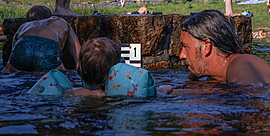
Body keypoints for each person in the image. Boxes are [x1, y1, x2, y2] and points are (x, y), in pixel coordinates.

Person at [29, 37, 167, 97]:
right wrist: (164, 88)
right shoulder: (122, 93)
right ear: (116, 71)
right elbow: (160, 93)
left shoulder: (73, 93)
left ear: (79, 69)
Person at [179, 9, 270, 84]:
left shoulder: (239, 66)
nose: (181, 55)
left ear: (206, 46)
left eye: (186, 47)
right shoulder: (221, 75)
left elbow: (251, 108)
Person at [5, 5, 81, 73]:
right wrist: (79, 66)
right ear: (50, 16)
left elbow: (14, 50)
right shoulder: (60, 21)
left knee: (11, 73)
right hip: (47, 47)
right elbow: (77, 53)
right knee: (59, 76)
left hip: (24, 44)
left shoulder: (25, 25)